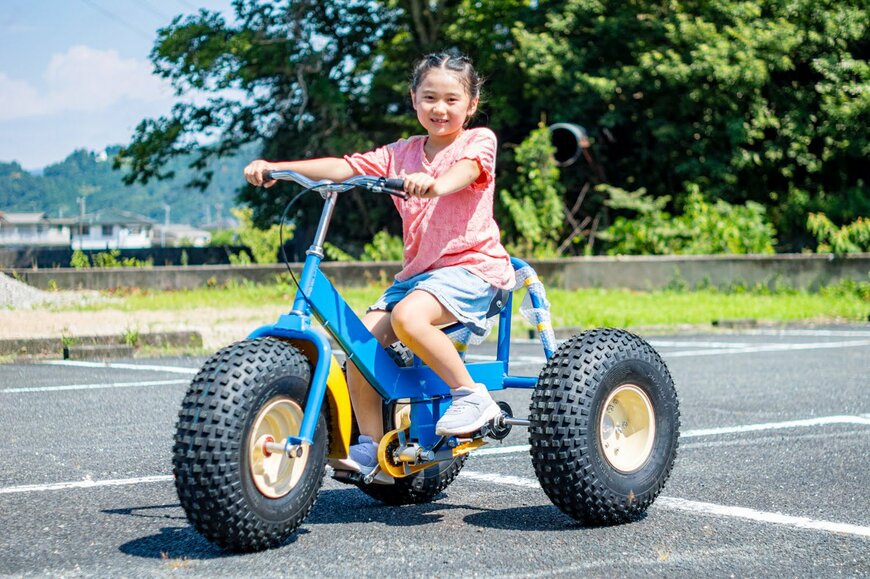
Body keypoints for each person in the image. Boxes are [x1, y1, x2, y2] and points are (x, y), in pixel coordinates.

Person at [244, 51, 515, 477]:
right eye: (429, 98)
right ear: (413, 99)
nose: (439, 109)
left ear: (471, 104)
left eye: (450, 100)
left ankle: (470, 396)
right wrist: (279, 168)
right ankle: (371, 443)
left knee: (409, 317)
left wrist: (435, 185)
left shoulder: (478, 140)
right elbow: (343, 167)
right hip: (419, 277)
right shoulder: (401, 153)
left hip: (473, 268)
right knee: (358, 347)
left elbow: (465, 171)